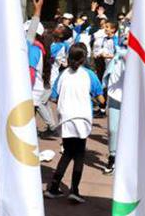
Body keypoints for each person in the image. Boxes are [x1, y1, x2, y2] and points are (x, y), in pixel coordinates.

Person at [45, 43, 104, 203]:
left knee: (68, 153)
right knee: (79, 155)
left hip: (65, 118)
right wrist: (96, 100)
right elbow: (100, 97)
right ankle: (74, 190)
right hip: (82, 118)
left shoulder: (63, 74)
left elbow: (54, 97)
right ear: (84, 58)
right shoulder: (89, 74)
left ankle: (53, 187)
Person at [101, 36, 128, 174]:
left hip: (131, 99)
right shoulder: (118, 54)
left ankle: (127, 162)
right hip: (114, 96)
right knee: (112, 130)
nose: (126, 38)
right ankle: (112, 158)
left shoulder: (136, 55)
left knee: (130, 132)